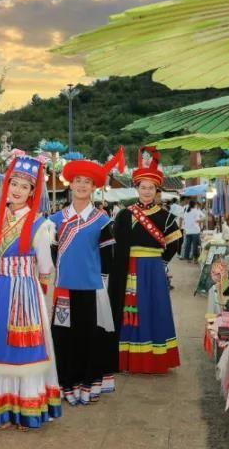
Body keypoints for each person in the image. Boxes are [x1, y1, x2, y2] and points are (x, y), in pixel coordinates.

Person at [0, 155, 61, 429]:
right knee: (0, 344)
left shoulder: (40, 225)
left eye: (24, 187)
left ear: (32, 192)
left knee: (25, 347)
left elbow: (46, 266)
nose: (17, 190)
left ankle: (26, 408)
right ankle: (3, 408)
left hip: (25, 291)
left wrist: (39, 292)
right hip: (2, 288)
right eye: (13, 183)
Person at [48, 150, 123, 405]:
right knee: (63, 338)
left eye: (87, 182)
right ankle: (66, 384)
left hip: (91, 288)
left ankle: (86, 384)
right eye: (77, 180)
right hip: (63, 289)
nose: (81, 185)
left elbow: (108, 258)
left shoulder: (102, 221)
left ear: (93, 188)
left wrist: (102, 283)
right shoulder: (55, 220)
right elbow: (50, 255)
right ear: (71, 184)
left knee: (88, 337)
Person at [108, 147, 182, 374]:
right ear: (137, 188)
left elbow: (174, 244)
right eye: (143, 187)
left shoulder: (167, 217)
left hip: (154, 269)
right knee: (132, 312)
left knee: (155, 309)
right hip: (128, 269)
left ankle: (156, 358)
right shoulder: (124, 214)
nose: (147, 191)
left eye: (151, 188)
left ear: (156, 190)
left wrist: (161, 263)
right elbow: (114, 244)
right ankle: (129, 358)